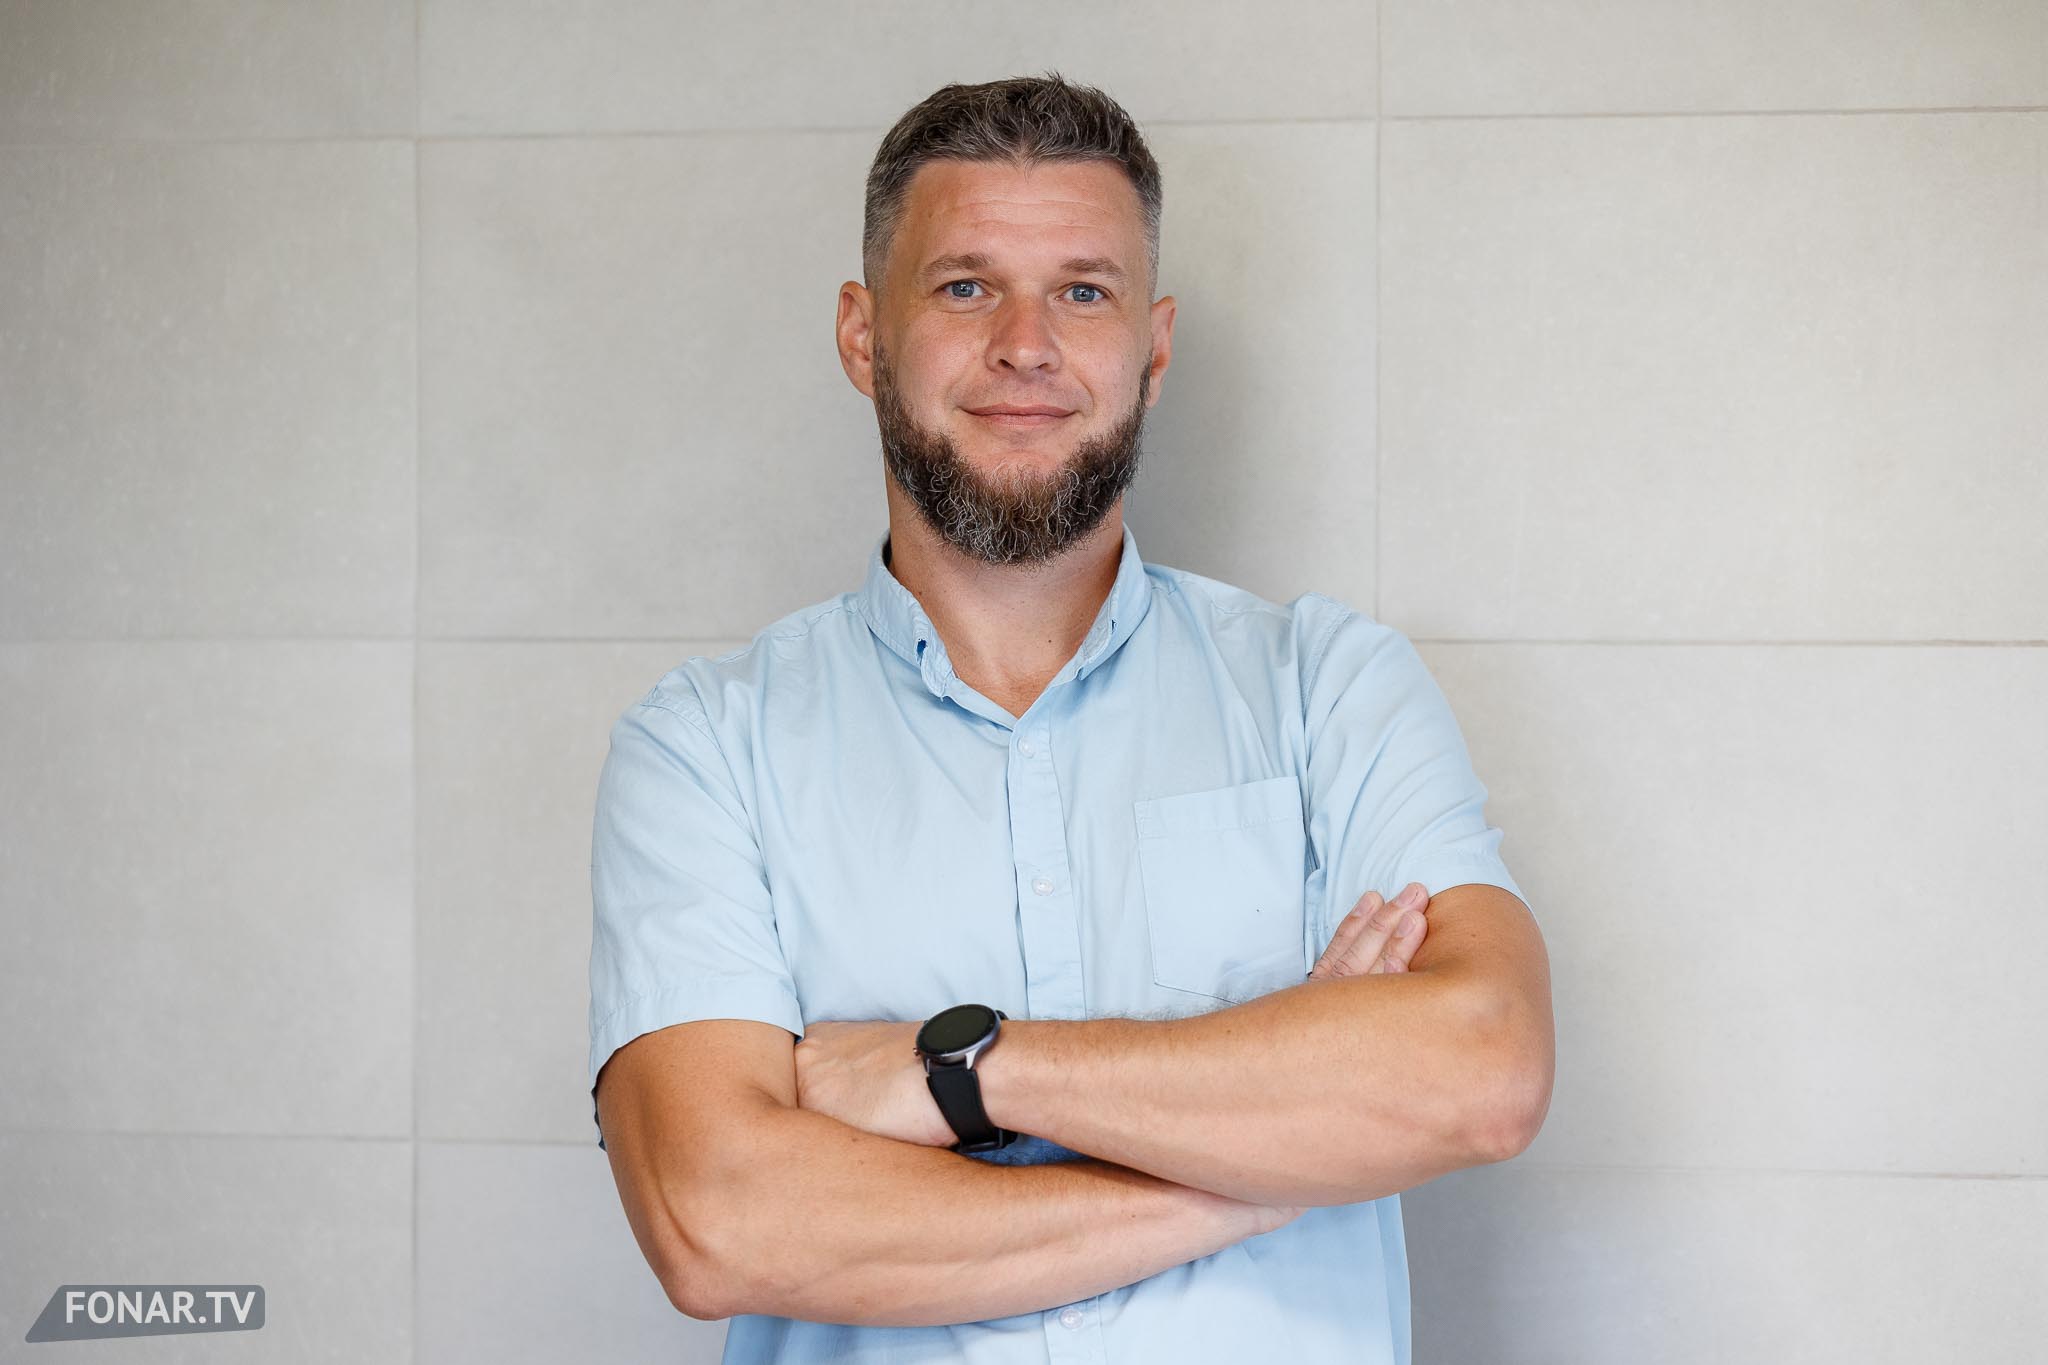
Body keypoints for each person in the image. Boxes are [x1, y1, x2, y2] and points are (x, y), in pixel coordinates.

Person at [587, 72, 1553, 1365]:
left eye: (1084, 292)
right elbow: (718, 1219)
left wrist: (968, 1071)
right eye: (965, 286)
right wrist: (1265, 1174)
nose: (1026, 345)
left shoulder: (1330, 688)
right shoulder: (705, 748)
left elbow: (1483, 1069)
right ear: (863, 337)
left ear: (1153, 347)